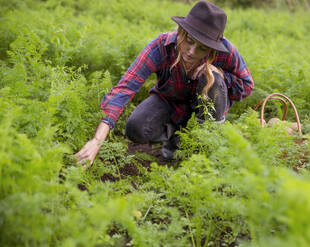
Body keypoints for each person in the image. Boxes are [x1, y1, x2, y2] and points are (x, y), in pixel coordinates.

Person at [75, 0, 254, 165]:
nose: (191, 52)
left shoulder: (226, 51)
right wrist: (97, 141)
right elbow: (125, 88)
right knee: (136, 128)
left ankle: (207, 149)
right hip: (170, 102)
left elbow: (247, 85)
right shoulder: (161, 46)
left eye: (202, 48)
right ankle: (175, 139)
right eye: (189, 41)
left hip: (205, 113)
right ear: (181, 31)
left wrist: (220, 74)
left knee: (212, 80)